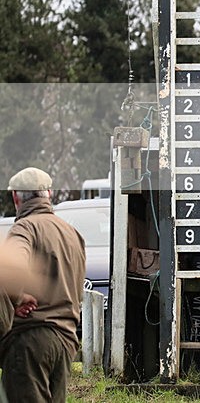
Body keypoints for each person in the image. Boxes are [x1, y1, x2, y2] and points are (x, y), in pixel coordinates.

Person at [0, 167, 86, 403]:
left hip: (30, 342)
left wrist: (18, 299)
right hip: (66, 341)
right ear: (49, 194)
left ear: (16, 197)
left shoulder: (24, 228)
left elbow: (11, 270)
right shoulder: (73, 233)